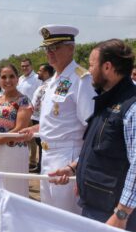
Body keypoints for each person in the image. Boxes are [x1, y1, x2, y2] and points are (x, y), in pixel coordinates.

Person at [50, 39, 136, 232]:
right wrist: (75, 169)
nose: (89, 71)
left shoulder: (131, 107)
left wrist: (121, 214)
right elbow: (101, 147)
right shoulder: (107, 100)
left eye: (91, 65)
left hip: (115, 216)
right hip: (96, 205)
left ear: (107, 67)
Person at [20, 24, 96, 213]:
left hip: (67, 158)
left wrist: (76, 166)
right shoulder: (53, 81)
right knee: (50, 216)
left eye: (55, 48)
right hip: (47, 156)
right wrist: (34, 131)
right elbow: (56, 121)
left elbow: (93, 128)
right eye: (47, 48)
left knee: (68, 220)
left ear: (71, 48)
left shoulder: (81, 79)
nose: (50, 53)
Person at [0, 64, 33, 197]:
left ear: (18, 79)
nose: (7, 80)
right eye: (4, 77)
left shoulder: (23, 101)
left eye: (11, 76)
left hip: (12, 150)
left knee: (12, 192)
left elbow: (19, 129)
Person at [18, 58, 42, 171]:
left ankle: (32, 161)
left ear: (31, 66)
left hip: (32, 112)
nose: (24, 68)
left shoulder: (37, 78)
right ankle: (24, 159)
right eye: (22, 66)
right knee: (22, 137)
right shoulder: (20, 79)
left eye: (26, 66)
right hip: (20, 112)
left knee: (32, 138)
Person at [30, 63, 55, 173]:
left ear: (46, 73)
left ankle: (42, 167)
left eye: (40, 71)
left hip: (42, 119)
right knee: (39, 144)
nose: (38, 73)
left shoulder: (51, 85)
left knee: (43, 144)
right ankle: (40, 166)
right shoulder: (43, 84)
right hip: (36, 117)